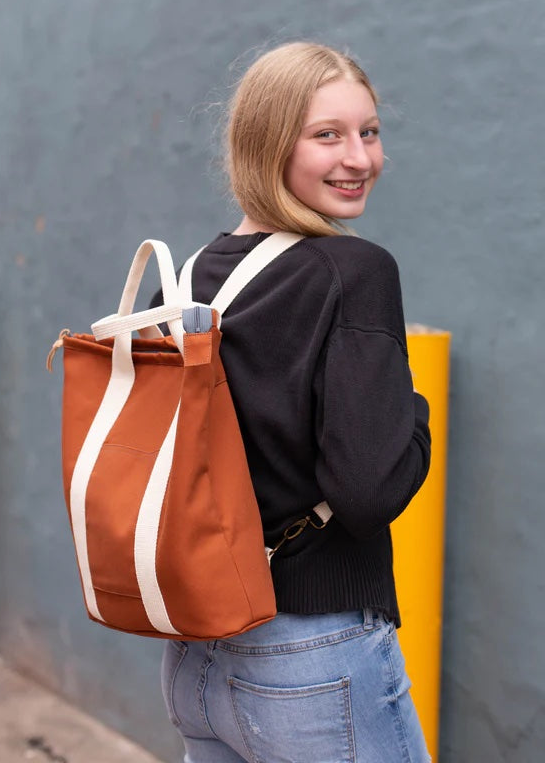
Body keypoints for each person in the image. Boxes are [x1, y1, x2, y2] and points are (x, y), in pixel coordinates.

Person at [154, 41, 432, 763]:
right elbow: (367, 491)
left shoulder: (181, 284)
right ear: (267, 146)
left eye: (367, 132)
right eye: (326, 135)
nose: (359, 159)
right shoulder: (352, 272)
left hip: (194, 657)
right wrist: (417, 414)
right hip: (312, 655)